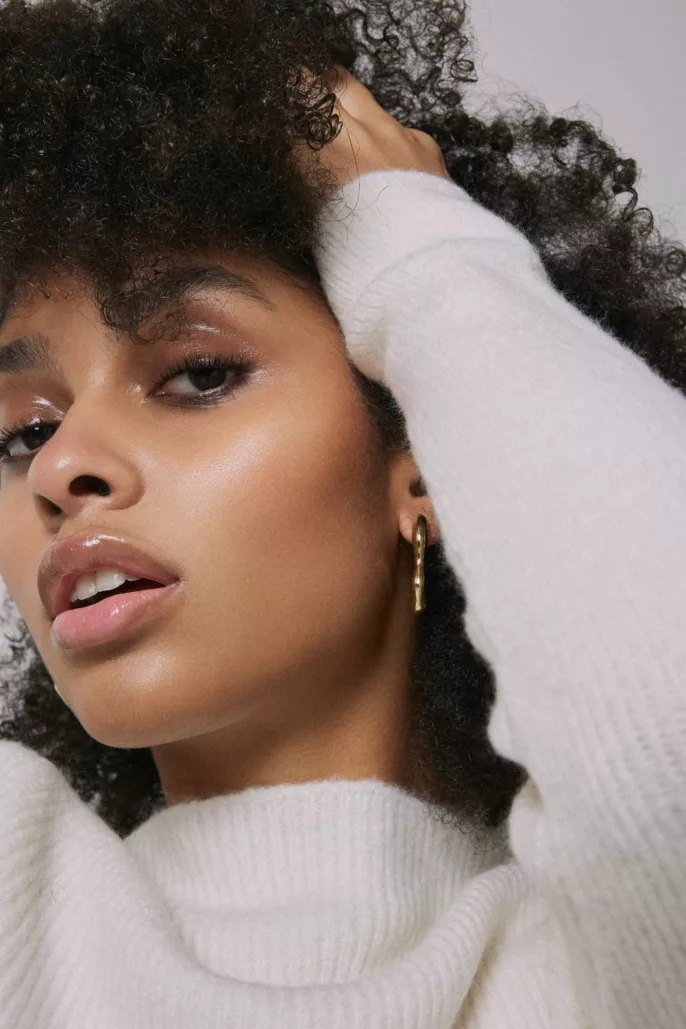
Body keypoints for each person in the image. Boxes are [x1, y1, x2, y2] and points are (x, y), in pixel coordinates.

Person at [0, 1, 684, 1027]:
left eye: (196, 373)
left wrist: (420, 251)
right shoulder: (18, 887)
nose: (63, 467)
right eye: (20, 434)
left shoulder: (596, 969)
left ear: (422, 453)